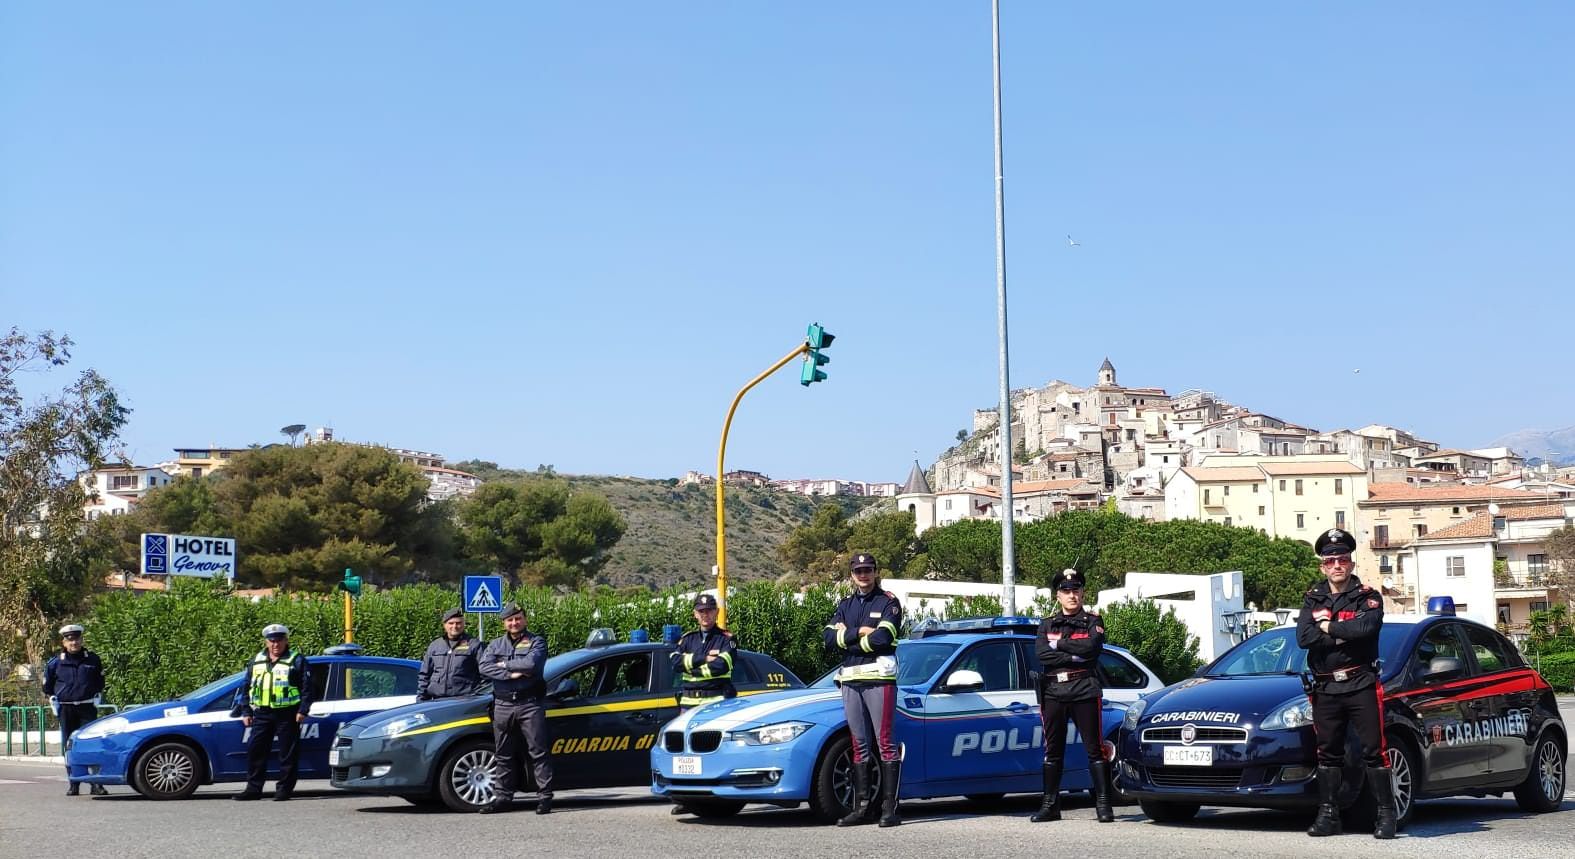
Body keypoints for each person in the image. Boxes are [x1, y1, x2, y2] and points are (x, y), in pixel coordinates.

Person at [1297, 527, 1394, 839]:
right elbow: (1303, 638)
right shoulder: (1313, 597)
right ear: (1322, 566)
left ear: (1351, 563)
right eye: (1330, 561)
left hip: (1361, 684)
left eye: (1342, 559)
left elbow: (1365, 630)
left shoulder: (1367, 597)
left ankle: (1386, 814)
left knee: (1373, 751)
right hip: (1325, 687)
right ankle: (1328, 816)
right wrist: (1341, 631)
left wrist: (1325, 627)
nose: (1336, 565)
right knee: (1328, 753)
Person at [823, 553, 903, 828]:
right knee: (859, 746)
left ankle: (889, 809)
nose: (863, 574)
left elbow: (885, 637)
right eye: (858, 570)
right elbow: (828, 640)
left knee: (885, 745)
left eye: (868, 569)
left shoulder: (889, 602)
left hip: (879, 680)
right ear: (852, 575)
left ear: (876, 571)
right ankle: (861, 808)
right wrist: (859, 632)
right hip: (851, 681)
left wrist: (848, 638)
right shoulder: (844, 605)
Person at [1030, 568, 1113, 823]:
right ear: (1058, 596)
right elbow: (1043, 655)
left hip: (1084, 689)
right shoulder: (1047, 624)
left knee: (1094, 749)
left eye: (1076, 590)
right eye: (1066, 591)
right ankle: (1050, 805)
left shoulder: (1092, 621)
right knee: (1052, 750)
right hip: (1054, 691)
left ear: (1082, 593)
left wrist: (1060, 644)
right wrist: (1073, 653)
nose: (1072, 595)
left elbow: (1091, 649)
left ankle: (1103, 805)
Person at [478, 602, 554, 814]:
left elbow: (531, 665)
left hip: (529, 704)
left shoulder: (537, 641)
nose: (514, 623)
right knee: (503, 754)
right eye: (510, 620)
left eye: (518, 618)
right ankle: (502, 798)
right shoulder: (495, 645)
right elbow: (484, 667)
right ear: (504, 623)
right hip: (502, 704)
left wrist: (503, 664)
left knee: (538, 752)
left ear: (525, 619)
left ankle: (545, 798)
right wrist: (509, 674)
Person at [668, 593, 738, 816]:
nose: (705, 614)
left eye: (709, 610)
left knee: (712, 751)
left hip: (716, 702)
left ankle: (716, 798)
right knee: (684, 755)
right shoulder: (686, 639)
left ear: (717, 612)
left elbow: (722, 666)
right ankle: (685, 799)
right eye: (701, 611)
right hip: (689, 704)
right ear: (695, 614)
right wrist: (703, 659)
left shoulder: (727, 638)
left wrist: (693, 665)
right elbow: (675, 663)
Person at [231, 624, 314, 801]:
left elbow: (308, 688)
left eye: (279, 640)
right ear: (266, 642)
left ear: (286, 641)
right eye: (272, 641)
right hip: (261, 713)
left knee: (287, 753)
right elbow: (247, 687)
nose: (276, 644)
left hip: (287, 713)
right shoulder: (257, 660)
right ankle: (253, 789)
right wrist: (246, 711)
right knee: (256, 750)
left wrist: (303, 710)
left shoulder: (296, 659)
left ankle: (284, 790)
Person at [43, 623, 108, 796]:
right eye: (70, 640)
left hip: (87, 708)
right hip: (66, 709)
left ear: (82, 639)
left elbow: (100, 682)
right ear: (64, 642)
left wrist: (96, 695)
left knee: (92, 744)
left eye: (77, 639)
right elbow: (47, 686)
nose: (74, 643)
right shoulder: (55, 663)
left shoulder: (93, 659)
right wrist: (53, 699)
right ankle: (74, 783)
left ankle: (96, 784)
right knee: (69, 747)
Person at [418, 607, 481, 700]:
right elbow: (425, 675)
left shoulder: (474, 645)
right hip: (437, 700)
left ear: (464, 624)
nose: (454, 626)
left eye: (458, 623)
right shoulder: (435, 645)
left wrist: (478, 696)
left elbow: (485, 673)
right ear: (444, 625)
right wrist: (421, 698)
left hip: (464, 701)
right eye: (451, 623)